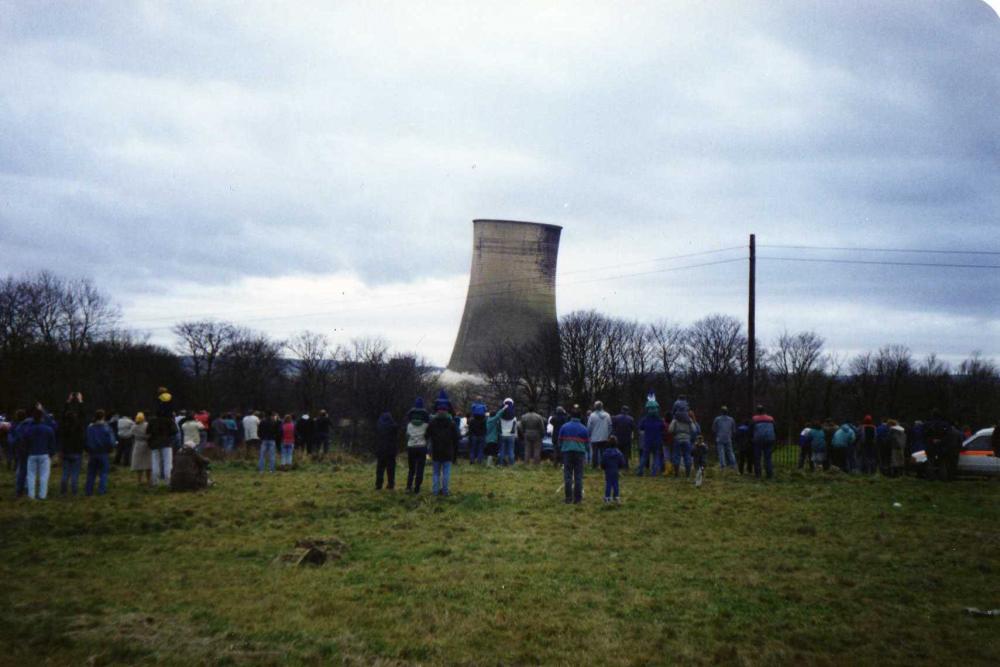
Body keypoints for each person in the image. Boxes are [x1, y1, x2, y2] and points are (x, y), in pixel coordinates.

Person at [427, 390, 459, 496]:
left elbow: (427, 435)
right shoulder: (451, 423)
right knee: (446, 472)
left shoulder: (432, 422)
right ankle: (445, 491)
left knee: (436, 472)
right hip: (448, 451)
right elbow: (456, 437)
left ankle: (435, 491)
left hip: (436, 450)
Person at [23, 406, 57, 500]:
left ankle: (31, 495)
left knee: (31, 476)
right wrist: (52, 453)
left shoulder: (28, 429)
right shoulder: (48, 429)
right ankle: (42, 495)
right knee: (44, 476)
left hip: (32, 454)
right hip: (44, 454)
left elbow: (25, 442)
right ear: (42, 417)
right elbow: (52, 443)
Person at [558, 408, 589, 504]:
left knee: (568, 475)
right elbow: (587, 444)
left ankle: (568, 498)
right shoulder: (584, 428)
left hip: (567, 452)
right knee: (578, 476)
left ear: (571, 416)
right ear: (580, 416)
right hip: (579, 453)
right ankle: (578, 499)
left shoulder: (564, 427)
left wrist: (563, 448)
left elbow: (560, 441)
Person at [85, 409, 116, 496]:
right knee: (103, 473)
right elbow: (111, 441)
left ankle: (88, 490)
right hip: (103, 453)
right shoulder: (106, 428)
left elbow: (86, 439)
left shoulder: (90, 428)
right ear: (103, 417)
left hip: (92, 453)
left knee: (91, 473)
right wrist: (111, 449)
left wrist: (88, 449)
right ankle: (101, 490)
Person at [60, 394, 87, 495]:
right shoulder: (79, 427)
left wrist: (68, 402)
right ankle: (74, 492)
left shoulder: (64, 427)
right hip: (76, 452)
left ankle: (63, 492)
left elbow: (62, 416)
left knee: (65, 473)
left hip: (66, 452)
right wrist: (80, 401)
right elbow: (82, 415)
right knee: (75, 474)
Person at [150, 389, 178, 486]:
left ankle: (155, 481)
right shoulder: (168, 420)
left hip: (154, 443)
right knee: (167, 463)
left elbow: (147, 432)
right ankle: (168, 482)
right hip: (166, 442)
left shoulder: (152, 421)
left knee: (155, 462)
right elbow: (175, 431)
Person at [637, 393, 665, 476]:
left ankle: (640, 471)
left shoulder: (645, 420)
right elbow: (663, 428)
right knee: (656, 456)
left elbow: (641, 427)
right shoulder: (659, 420)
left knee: (645, 456)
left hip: (647, 440)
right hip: (657, 441)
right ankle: (654, 472)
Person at [405, 397, 429, 493]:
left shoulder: (409, 425)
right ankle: (417, 488)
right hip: (422, 447)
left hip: (411, 447)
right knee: (420, 468)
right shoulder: (425, 425)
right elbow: (427, 436)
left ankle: (408, 486)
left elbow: (407, 436)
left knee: (411, 468)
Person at [751, 405, 776, 480]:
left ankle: (758, 475)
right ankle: (769, 475)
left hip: (758, 440)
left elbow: (750, 429)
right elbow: (775, 428)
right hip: (770, 439)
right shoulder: (771, 418)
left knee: (757, 458)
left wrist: (751, 438)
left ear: (757, 411)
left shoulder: (754, 418)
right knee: (768, 458)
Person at [375, 412, 398, 490]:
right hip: (391, 451)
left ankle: (378, 485)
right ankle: (391, 484)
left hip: (381, 450)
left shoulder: (379, 427)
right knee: (391, 469)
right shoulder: (394, 427)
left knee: (380, 469)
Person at [669, 411, 696, 478]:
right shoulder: (689, 419)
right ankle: (687, 474)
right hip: (687, 439)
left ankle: (676, 474)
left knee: (676, 455)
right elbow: (694, 430)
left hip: (677, 439)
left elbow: (670, 430)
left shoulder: (675, 420)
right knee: (687, 455)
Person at [587, 400, 613, 469]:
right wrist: (608, 435)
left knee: (594, 453)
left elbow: (589, 427)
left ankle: (594, 466)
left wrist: (589, 435)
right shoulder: (607, 415)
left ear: (595, 407)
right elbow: (610, 426)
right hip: (604, 437)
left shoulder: (592, 415)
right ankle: (603, 465)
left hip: (594, 437)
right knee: (603, 453)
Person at [601, 435, 626, 503]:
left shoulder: (605, 453)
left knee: (608, 484)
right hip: (616, 470)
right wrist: (620, 467)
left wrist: (603, 467)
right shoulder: (619, 453)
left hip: (608, 470)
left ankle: (607, 497)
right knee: (616, 484)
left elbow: (603, 462)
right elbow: (622, 463)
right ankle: (616, 497)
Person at [712, 406, 737, 470]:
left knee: (721, 452)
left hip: (720, 437)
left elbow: (714, 429)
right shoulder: (731, 419)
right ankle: (733, 465)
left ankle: (723, 466)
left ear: (721, 412)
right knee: (730, 452)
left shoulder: (717, 419)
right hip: (728, 437)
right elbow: (734, 430)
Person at [130, 412, 152, 485]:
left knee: (139, 464)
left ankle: (139, 480)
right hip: (146, 444)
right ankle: (148, 480)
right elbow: (150, 434)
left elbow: (132, 434)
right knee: (148, 464)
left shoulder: (134, 426)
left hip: (137, 444)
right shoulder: (147, 425)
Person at [498, 399, 517, 466]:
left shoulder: (501, 416)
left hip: (502, 434)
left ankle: (501, 463)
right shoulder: (514, 417)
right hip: (511, 435)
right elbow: (514, 427)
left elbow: (499, 426)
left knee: (501, 450)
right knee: (511, 450)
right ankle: (511, 464)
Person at [467, 398, 487, 464]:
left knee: (472, 448)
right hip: (481, 435)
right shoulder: (484, 420)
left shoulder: (472, 420)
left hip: (473, 435)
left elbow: (470, 428)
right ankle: (479, 461)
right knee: (480, 448)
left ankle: (472, 460)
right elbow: (485, 428)